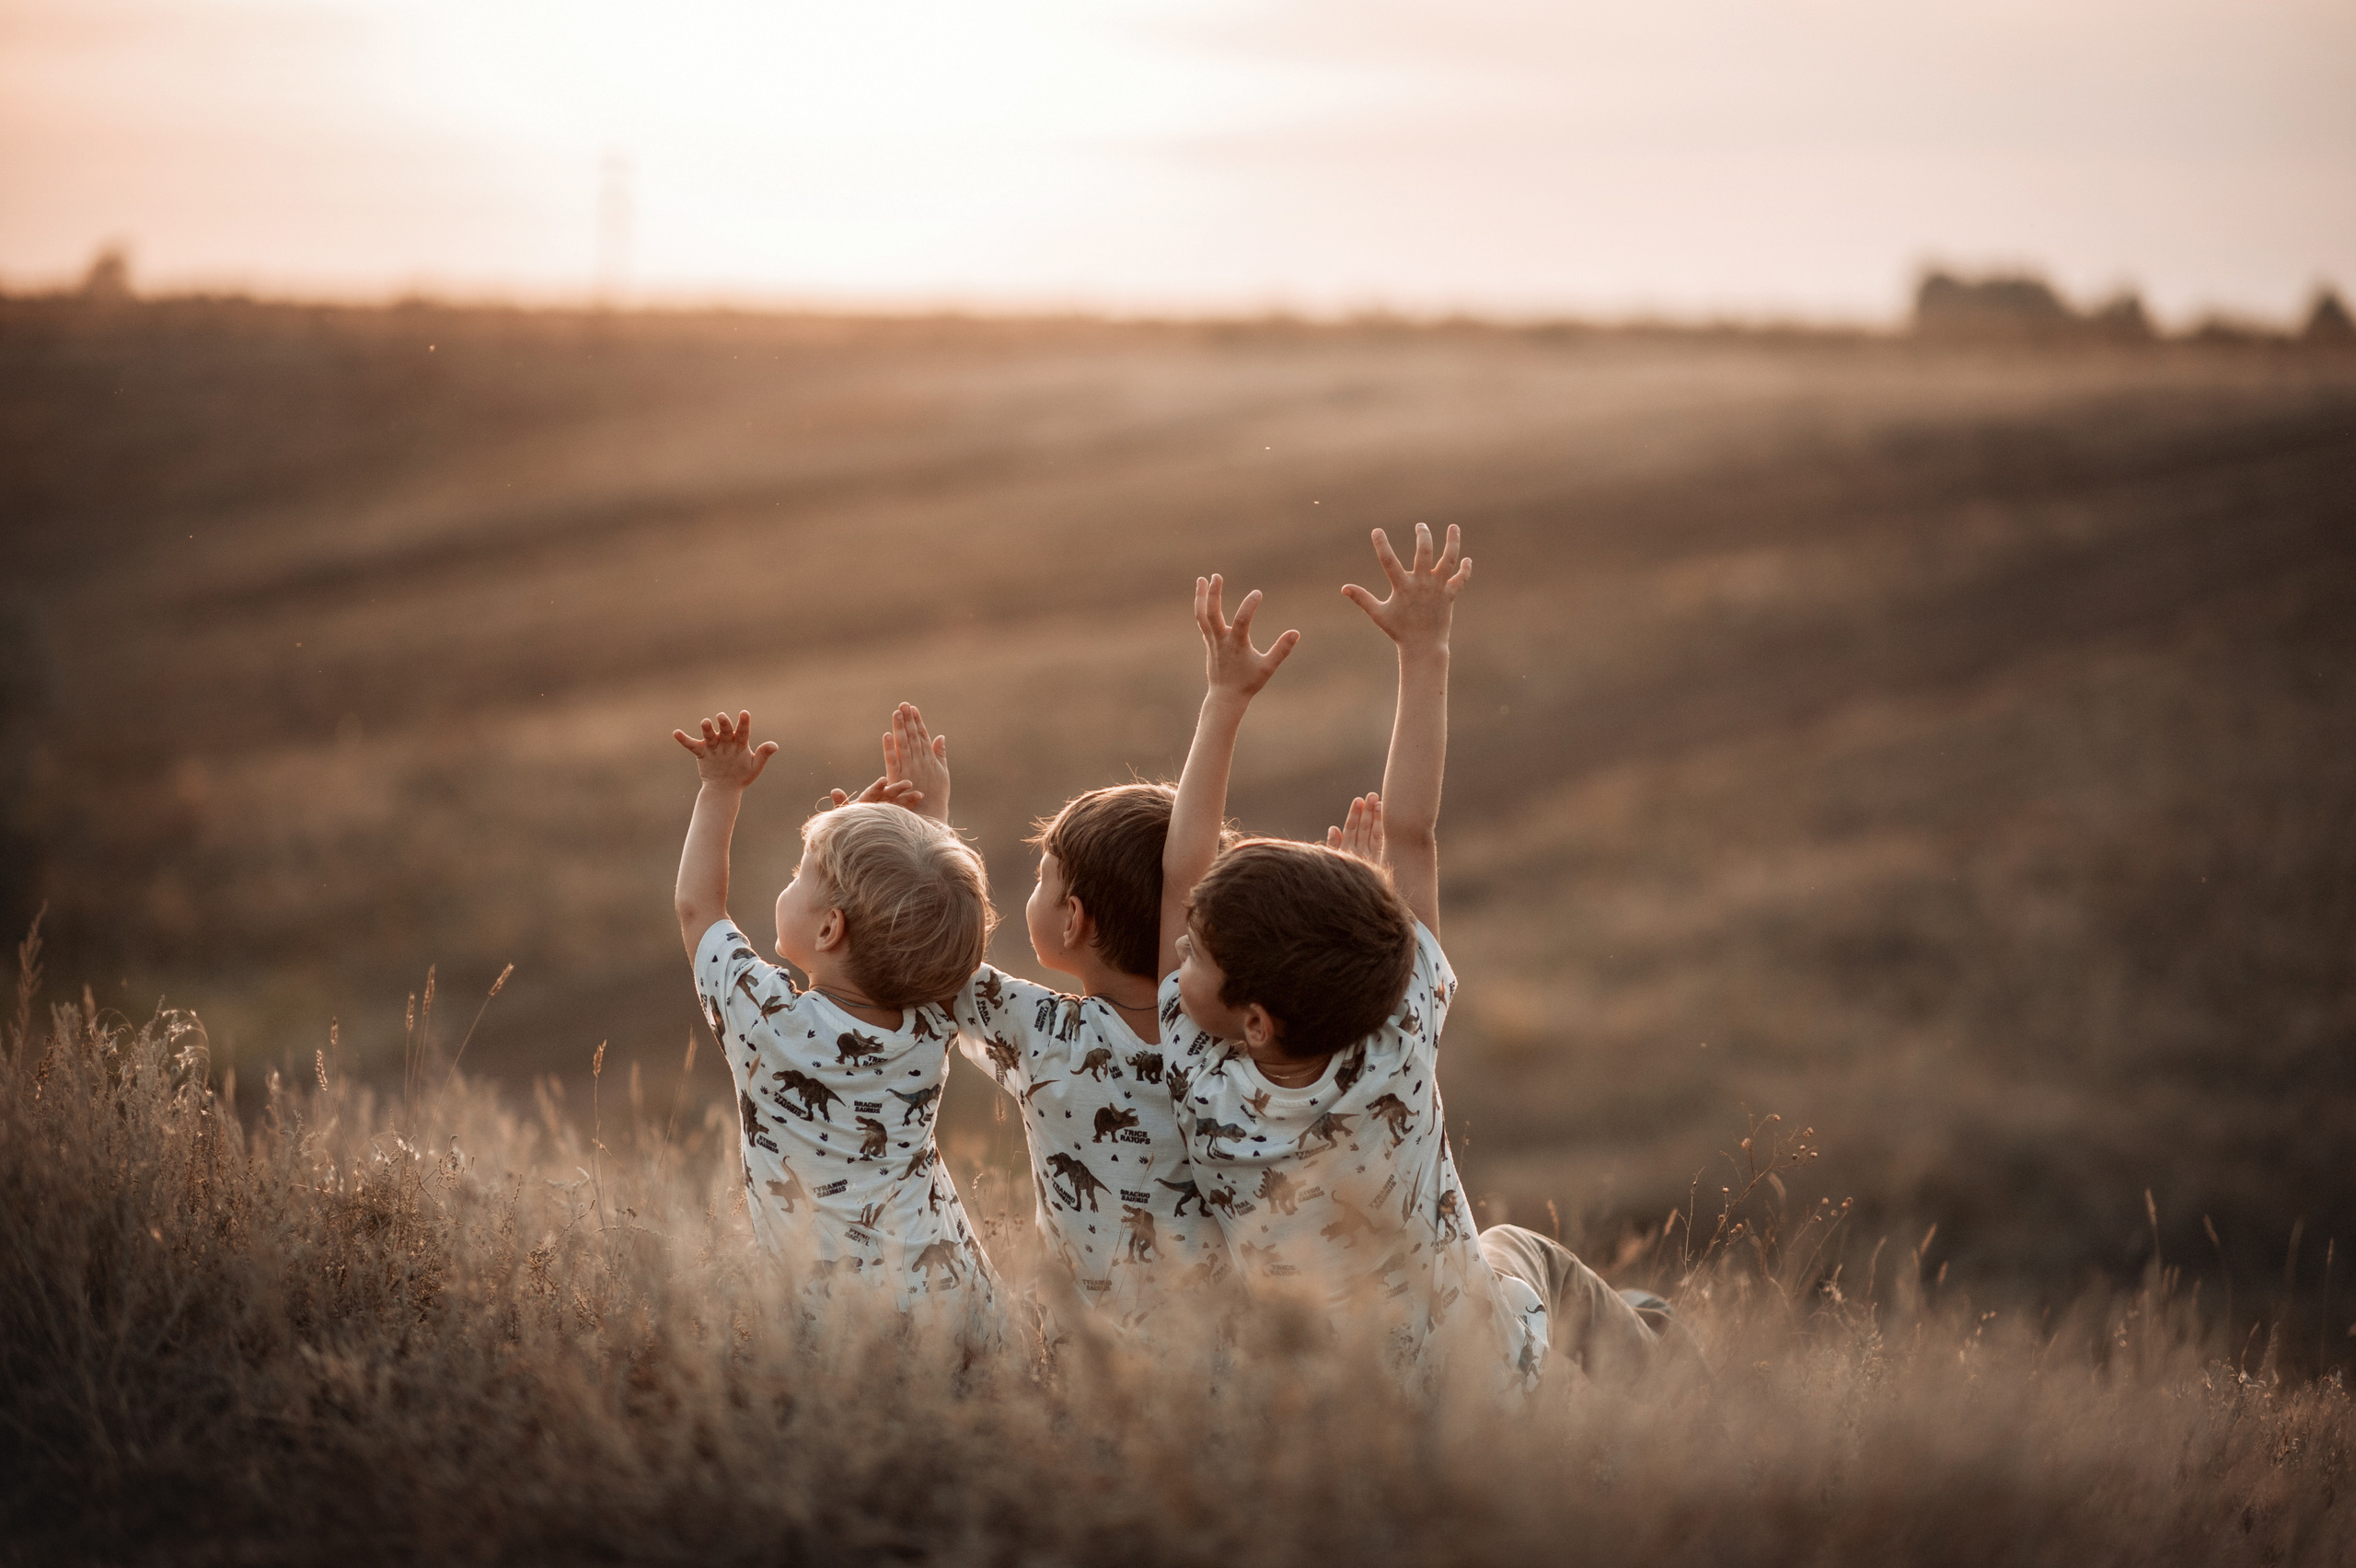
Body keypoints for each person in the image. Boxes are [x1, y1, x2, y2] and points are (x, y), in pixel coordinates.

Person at [1161, 524, 1664, 1397]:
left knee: (1512, 1254)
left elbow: (1181, 869)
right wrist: (1425, 650)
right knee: (1522, 1253)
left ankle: (1650, 1333)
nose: (1178, 953)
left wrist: (1223, 700)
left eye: (1194, 953)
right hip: (1489, 1377)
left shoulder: (1201, 1068)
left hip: (1344, 1414)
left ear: (1254, 1019)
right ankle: (1668, 1379)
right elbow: (1413, 835)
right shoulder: (1398, 1037)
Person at [868, 581, 1294, 1343]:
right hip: (1223, 1367)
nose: (1032, 890)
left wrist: (923, 833)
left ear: (1073, 921)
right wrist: (1224, 702)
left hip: (1083, 1363)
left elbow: (937, 959)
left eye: (1042, 878)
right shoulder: (1209, 1038)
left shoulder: (1040, 1035)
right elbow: (1188, 874)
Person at [672, 709, 999, 1352]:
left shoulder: (769, 1023)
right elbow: (928, 928)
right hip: (965, 1310)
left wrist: (720, 789)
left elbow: (697, 910)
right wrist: (921, 828)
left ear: (829, 930)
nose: (789, 883)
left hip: (843, 1334)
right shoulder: (932, 1013)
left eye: (801, 876)